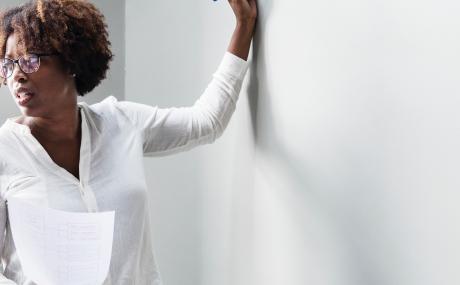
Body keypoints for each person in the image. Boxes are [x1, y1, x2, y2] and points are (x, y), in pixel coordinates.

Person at [0, 0, 257, 284]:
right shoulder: (5, 152)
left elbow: (206, 122)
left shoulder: (120, 123)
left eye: (30, 59)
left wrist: (244, 26)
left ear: (70, 59)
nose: (17, 75)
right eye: (8, 64)